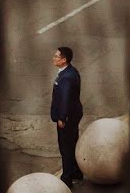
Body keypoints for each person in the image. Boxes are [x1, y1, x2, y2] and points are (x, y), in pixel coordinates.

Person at [51, 46, 84, 187]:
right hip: (74, 114)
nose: (54, 58)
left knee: (66, 148)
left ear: (64, 60)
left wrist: (62, 118)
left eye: (56, 56)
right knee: (73, 143)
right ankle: (77, 172)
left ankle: (66, 179)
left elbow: (65, 99)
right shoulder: (71, 71)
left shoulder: (66, 78)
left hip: (67, 117)